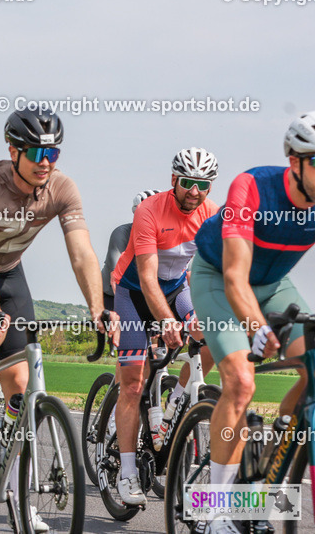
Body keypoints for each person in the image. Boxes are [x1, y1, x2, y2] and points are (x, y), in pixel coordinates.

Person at [0, 108, 107, 531]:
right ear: (13, 151)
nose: (46, 162)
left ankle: (17, 494)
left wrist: (97, 307)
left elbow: (81, 253)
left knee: (21, 384)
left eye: (54, 152)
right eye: (36, 153)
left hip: (10, 273)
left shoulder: (62, 188)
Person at [191, 113, 315, 534]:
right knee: (242, 382)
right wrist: (257, 328)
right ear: (295, 162)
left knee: (314, 369)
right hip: (218, 276)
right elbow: (234, 277)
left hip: (274, 284)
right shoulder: (253, 186)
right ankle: (214, 510)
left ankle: (269, 470)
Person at [109, 148, 219, 505]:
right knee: (133, 383)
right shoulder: (149, 210)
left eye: (203, 185)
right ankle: (126, 473)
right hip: (134, 294)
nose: (194, 191)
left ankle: (176, 403)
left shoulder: (212, 214)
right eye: (187, 183)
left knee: (212, 337)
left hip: (176, 289)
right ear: (174, 180)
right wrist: (167, 320)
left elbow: (213, 271)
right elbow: (146, 276)